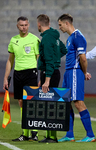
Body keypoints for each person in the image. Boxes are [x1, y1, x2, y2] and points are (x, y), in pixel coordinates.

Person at [57, 14, 96, 142]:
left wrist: (84, 73)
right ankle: (69, 135)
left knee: (78, 102)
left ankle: (90, 135)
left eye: (60, 24)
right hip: (68, 73)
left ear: (66, 23)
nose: (60, 27)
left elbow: (83, 58)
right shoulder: (70, 38)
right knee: (66, 103)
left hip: (74, 72)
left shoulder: (78, 37)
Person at [3, 16, 40, 141]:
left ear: (28, 25)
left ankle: (34, 132)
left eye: (26, 25)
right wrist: (5, 78)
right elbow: (10, 60)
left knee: (32, 102)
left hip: (31, 72)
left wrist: (41, 75)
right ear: (17, 26)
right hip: (18, 73)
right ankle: (25, 133)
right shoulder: (13, 40)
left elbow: (39, 58)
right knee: (21, 102)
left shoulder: (34, 39)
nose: (24, 27)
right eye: (21, 25)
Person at [37, 14, 68, 143]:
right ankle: (51, 135)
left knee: (49, 105)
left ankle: (52, 137)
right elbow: (63, 49)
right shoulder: (54, 36)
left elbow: (49, 61)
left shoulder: (46, 39)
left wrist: (47, 79)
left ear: (39, 24)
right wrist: (56, 60)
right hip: (52, 72)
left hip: (49, 73)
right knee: (51, 104)